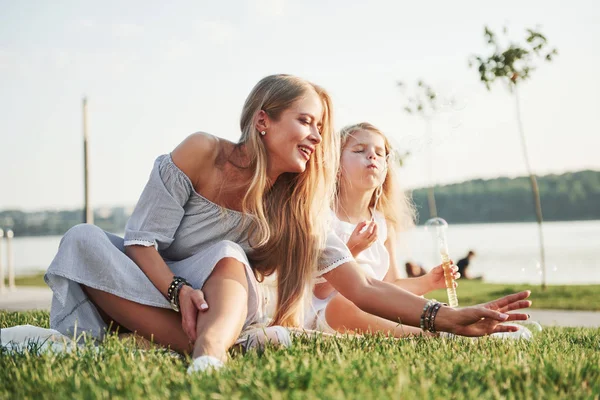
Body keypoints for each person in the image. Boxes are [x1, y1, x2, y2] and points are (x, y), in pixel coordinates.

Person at [42, 75, 531, 374]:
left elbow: (359, 287)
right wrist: (176, 291)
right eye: (306, 121)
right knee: (82, 239)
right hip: (161, 289)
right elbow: (141, 242)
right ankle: (197, 338)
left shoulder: (299, 202)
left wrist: (442, 318)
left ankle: (209, 357)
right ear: (263, 121)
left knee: (228, 255)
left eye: (321, 126)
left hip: (228, 302)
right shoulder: (202, 153)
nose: (318, 136)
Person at [305, 122, 460, 337]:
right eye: (359, 150)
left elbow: (391, 286)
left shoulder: (382, 222)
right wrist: (352, 250)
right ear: (336, 167)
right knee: (344, 304)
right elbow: (318, 291)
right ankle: (429, 333)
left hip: (375, 309)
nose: (372, 156)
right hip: (326, 313)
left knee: (411, 304)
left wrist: (428, 282)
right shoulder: (322, 216)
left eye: (380, 153)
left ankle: (441, 326)